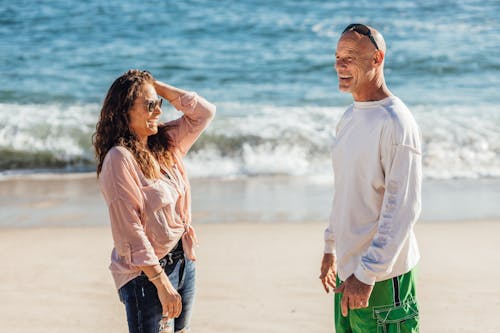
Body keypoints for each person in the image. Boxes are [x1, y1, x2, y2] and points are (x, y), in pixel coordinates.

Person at [93, 69, 215, 333]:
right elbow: (130, 231)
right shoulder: (119, 159)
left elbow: (204, 113)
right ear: (125, 111)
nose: (158, 111)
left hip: (183, 261)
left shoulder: (164, 142)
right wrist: (161, 283)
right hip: (147, 277)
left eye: (158, 104)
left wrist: (153, 86)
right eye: (149, 105)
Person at [319, 24, 422, 332]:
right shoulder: (350, 117)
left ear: (376, 58)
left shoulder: (396, 122)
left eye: (350, 56)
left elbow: (403, 209)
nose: (340, 64)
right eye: (338, 56)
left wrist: (367, 275)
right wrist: (330, 246)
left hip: (382, 280)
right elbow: (346, 191)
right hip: (348, 274)